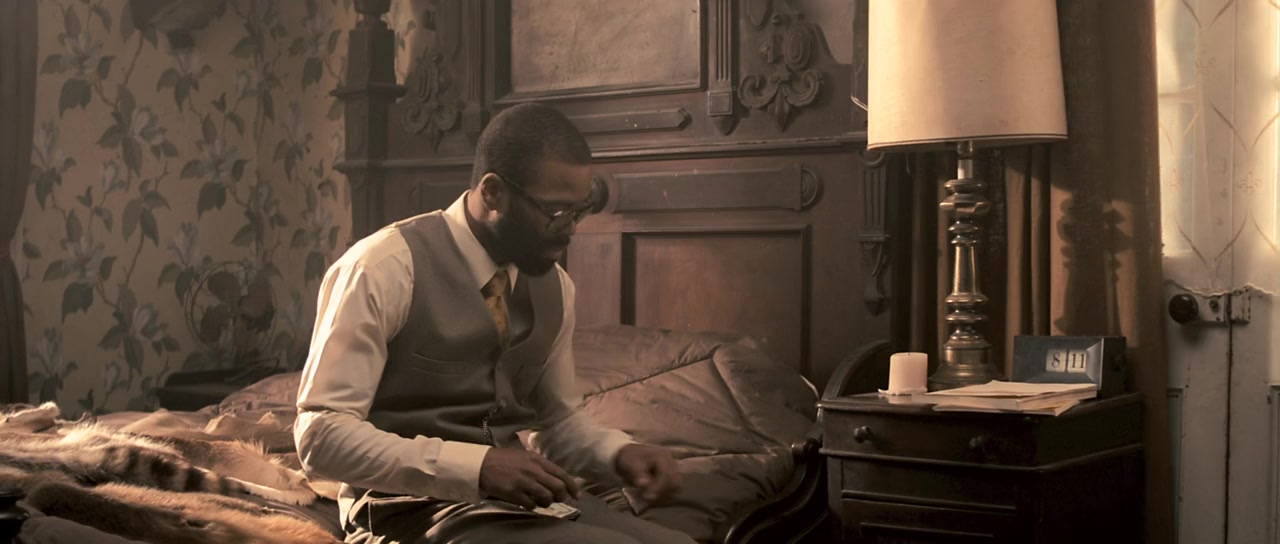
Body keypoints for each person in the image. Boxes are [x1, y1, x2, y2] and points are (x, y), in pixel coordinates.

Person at [294, 103, 694, 544]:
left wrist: (619, 453)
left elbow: (556, 422)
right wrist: (478, 467)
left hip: (518, 504)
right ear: (493, 193)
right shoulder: (381, 267)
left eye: (579, 212)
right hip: (404, 509)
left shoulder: (556, 287)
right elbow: (320, 436)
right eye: (556, 213)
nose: (571, 231)